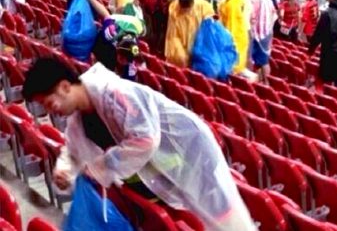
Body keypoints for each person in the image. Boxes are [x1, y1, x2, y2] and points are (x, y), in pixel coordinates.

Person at [22, 58, 257, 231]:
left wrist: (102, 166)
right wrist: (65, 170)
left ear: (64, 87)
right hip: (159, 170)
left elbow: (145, 140)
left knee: (222, 218)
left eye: (48, 102)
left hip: (191, 154)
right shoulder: (78, 118)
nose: (49, 110)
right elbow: (72, 150)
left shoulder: (114, 94)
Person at [87, 0, 145, 72]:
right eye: (124, 60)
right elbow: (105, 14)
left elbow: (135, 58)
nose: (126, 62)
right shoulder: (110, 32)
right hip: (116, 23)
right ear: (118, 54)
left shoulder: (134, 48)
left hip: (135, 23)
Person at [165, 0, 214, 67]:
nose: (186, 12)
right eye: (184, 10)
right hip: (181, 41)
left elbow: (211, 18)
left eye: (188, 9)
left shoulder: (202, 6)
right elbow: (173, 35)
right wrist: (180, 54)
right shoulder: (174, 11)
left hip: (196, 40)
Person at [219, 0, 251, 77]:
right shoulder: (226, 1)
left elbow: (232, 25)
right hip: (230, 36)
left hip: (236, 39)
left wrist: (229, 43)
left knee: (235, 69)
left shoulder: (234, 2)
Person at [248, 0, 277, 83]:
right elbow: (275, 16)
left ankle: (264, 83)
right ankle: (264, 82)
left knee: (259, 61)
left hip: (257, 35)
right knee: (263, 61)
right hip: (267, 34)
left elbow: (251, 17)